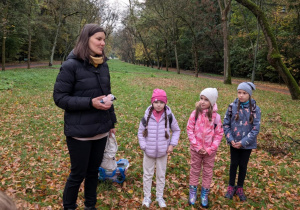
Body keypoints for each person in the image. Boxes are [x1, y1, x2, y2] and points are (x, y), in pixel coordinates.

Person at [53, 24, 117, 210]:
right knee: (77, 174)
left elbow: (108, 94)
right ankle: (69, 207)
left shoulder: (103, 65)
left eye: (104, 39)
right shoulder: (70, 65)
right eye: (98, 39)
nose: (102, 43)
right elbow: (60, 98)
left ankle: (91, 206)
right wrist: (90, 102)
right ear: (86, 39)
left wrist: (111, 121)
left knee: (92, 173)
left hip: (101, 131)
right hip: (79, 133)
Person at [138, 89, 181, 208]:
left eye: (161, 102)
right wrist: (143, 146)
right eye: (156, 102)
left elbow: (176, 130)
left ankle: (159, 196)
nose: (158, 105)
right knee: (147, 175)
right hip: (148, 152)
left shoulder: (169, 116)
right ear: (152, 102)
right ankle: (147, 197)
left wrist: (172, 144)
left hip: (163, 152)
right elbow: (140, 132)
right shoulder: (147, 116)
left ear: (165, 103)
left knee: (161, 175)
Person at [223, 82, 261, 201]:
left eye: (244, 93)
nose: (241, 95)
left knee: (243, 165)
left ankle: (239, 187)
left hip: (247, 144)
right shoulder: (232, 106)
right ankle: (231, 186)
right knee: (234, 164)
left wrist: (244, 142)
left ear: (249, 94)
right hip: (234, 143)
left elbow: (256, 128)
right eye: (239, 92)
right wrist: (231, 139)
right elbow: (225, 124)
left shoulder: (255, 109)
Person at [186, 88, 224, 208]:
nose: (202, 102)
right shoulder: (195, 113)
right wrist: (196, 146)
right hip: (196, 150)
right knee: (195, 170)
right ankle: (192, 191)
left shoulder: (216, 117)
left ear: (212, 102)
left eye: (206, 100)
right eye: (201, 98)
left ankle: (204, 193)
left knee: (207, 172)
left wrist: (210, 149)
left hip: (209, 152)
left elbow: (219, 134)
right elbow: (189, 129)